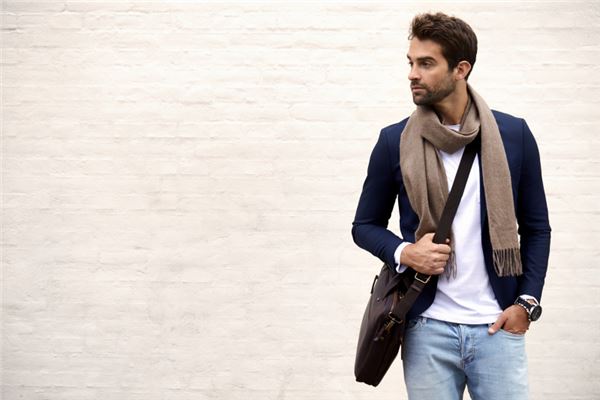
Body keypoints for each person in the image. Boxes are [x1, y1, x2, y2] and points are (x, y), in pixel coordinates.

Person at [351, 12, 551, 400]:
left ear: (461, 69)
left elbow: (536, 227)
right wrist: (406, 252)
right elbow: (364, 225)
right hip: (427, 329)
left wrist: (526, 304)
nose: (413, 74)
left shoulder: (513, 136)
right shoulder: (395, 140)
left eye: (426, 63)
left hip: (497, 326)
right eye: (411, 62)